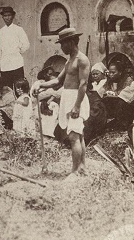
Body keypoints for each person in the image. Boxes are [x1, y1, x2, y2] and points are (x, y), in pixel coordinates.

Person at [33, 28, 91, 177]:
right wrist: (40, 85)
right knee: (78, 135)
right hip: (67, 97)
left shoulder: (82, 60)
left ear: (71, 42)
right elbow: (58, 81)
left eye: (62, 44)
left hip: (76, 98)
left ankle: (75, 172)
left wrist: (77, 105)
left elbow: (83, 84)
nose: (61, 48)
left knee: (74, 137)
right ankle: (82, 168)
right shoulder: (69, 61)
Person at [0, 7, 30, 90]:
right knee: (7, 88)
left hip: (17, 63)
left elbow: (26, 44)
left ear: (13, 16)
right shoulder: (0, 32)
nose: (7, 18)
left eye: (9, 15)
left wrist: (19, 50)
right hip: (5, 65)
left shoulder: (19, 30)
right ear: (2, 17)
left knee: (19, 87)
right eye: (5, 16)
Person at [102, 62, 134, 129]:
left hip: (127, 105)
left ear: (120, 72)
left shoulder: (128, 80)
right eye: (109, 72)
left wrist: (114, 94)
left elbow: (127, 95)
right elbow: (103, 90)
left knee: (121, 103)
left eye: (113, 72)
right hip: (116, 103)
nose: (111, 75)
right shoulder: (109, 81)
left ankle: (123, 123)